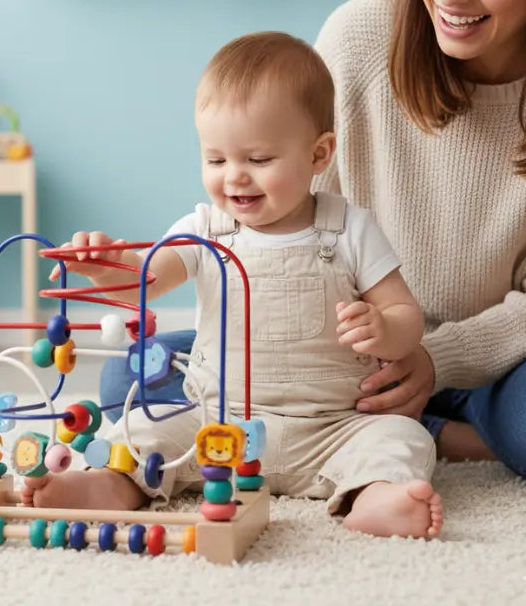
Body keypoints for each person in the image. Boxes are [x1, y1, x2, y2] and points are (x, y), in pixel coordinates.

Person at [104, 0, 526, 488]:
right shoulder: (359, 38)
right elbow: (287, 214)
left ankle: (430, 427)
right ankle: (422, 435)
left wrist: (435, 357)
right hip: (334, 363)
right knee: (128, 377)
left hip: (503, 361)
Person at [25, 32, 444, 539]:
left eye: (259, 160)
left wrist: (384, 328)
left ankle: (377, 497)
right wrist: (103, 265)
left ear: (319, 154)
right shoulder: (205, 228)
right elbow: (143, 282)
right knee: (142, 428)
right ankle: (106, 485)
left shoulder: (350, 229)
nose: (235, 178)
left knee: (403, 437)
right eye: (217, 160)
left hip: (333, 427)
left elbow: (406, 316)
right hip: (214, 423)